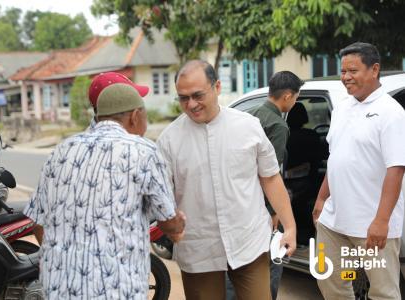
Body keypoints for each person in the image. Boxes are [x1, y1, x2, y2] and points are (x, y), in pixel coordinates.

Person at [24, 83, 186, 299]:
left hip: (59, 289)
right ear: (135, 116)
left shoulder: (62, 150)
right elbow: (167, 221)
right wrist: (178, 226)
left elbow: (38, 221)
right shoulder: (143, 150)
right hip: (116, 290)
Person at [157, 60, 297, 300]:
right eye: (183, 98)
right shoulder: (169, 140)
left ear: (217, 87)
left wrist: (290, 227)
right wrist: (168, 225)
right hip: (199, 247)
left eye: (198, 95)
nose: (191, 104)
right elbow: (161, 197)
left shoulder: (248, 126)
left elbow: (271, 178)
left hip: (248, 240)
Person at [312, 42, 405, 299]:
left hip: (371, 225)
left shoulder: (391, 113)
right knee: (330, 275)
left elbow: (395, 170)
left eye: (352, 71)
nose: (345, 77)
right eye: (343, 71)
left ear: (374, 69)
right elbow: (336, 157)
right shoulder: (343, 107)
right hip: (334, 220)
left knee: (382, 291)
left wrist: (382, 221)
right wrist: (322, 198)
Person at [248, 71, 304, 300]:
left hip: (245, 199)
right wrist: (275, 213)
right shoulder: (278, 126)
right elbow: (273, 174)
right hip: (262, 205)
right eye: (297, 97)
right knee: (272, 261)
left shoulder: (251, 114)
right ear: (288, 96)